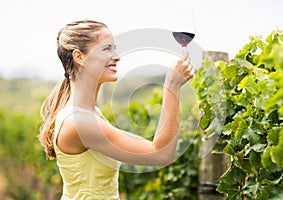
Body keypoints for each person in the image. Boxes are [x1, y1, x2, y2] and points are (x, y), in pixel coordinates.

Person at [38, 19, 194, 199]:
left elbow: (152, 148)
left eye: (114, 48)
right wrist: (172, 86)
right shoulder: (80, 122)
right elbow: (160, 154)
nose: (117, 56)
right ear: (80, 57)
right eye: (106, 49)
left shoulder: (90, 113)